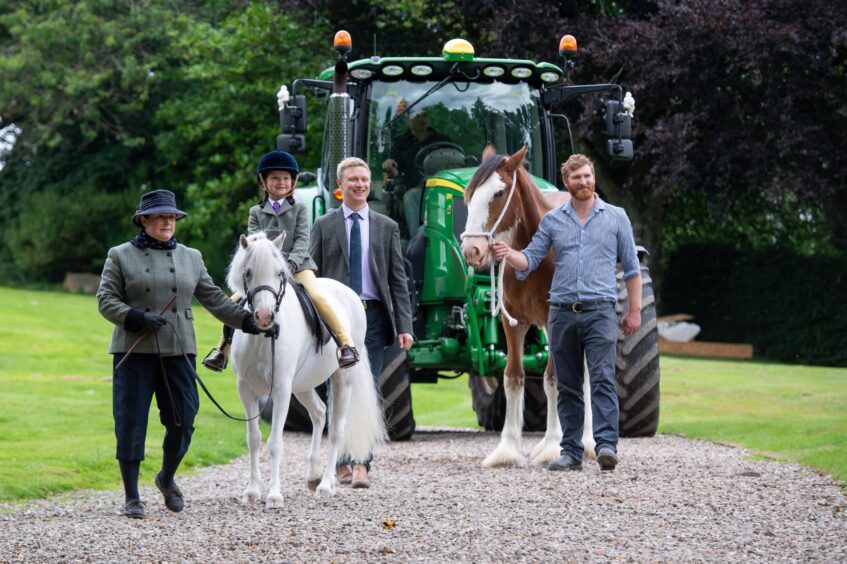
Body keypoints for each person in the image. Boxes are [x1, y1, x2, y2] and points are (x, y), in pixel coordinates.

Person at [97, 189, 264, 519]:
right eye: (160, 217)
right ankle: (132, 496)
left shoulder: (192, 257)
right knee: (130, 422)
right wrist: (137, 317)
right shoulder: (119, 255)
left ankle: (167, 478)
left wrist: (247, 322)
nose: (167, 222)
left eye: (171, 217)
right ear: (144, 220)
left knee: (184, 420)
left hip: (179, 349)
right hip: (135, 350)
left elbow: (215, 299)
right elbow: (105, 299)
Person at [492, 154, 642, 473]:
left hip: (600, 310)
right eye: (577, 178)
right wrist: (510, 255)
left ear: (594, 177)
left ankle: (605, 446)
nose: (583, 182)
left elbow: (631, 269)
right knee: (568, 383)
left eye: (587, 176)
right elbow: (531, 258)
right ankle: (571, 451)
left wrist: (634, 311)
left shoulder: (616, 217)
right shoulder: (554, 220)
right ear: (567, 183)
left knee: (602, 378)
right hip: (561, 311)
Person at [202, 150, 359, 371]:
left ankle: (345, 344)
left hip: (298, 266)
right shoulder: (256, 211)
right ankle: (221, 350)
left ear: (292, 182)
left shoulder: (300, 209)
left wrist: (291, 264)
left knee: (317, 296)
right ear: (264, 182)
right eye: (275, 178)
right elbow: (255, 243)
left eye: (285, 178)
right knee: (235, 301)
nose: (281, 182)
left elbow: (303, 241)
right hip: (266, 270)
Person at [310, 156, 414, 488]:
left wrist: (405, 326)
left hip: (374, 319)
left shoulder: (386, 227)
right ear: (340, 186)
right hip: (335, 320)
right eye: (352, 180)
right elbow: (311, 278)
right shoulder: (324, 226)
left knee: (366, 386)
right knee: (336, 386)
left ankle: (362, 464)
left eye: (365, 180)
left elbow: (398, 280)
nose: (360, 185)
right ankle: (339, 462)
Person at [382, 105, 452, 236]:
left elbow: (455, 164)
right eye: (417, 116)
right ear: (408, 119)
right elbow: (395, 172)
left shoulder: (442, 140)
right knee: (410, 196)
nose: (422, 119)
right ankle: (416, 243)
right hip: (417, 190)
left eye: (424, 115)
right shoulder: (401, 142)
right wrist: (390, 166)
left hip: (444, 187)